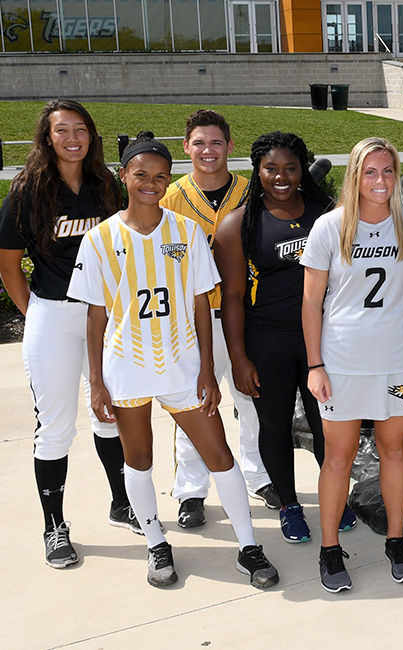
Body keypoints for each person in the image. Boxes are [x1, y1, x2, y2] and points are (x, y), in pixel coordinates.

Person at [68, 135, 279, 589]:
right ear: (123, 175)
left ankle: (248, 546)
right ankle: (155, 543)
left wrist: (206, 366)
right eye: (140, 174)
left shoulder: (184, 232)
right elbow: (96, 315)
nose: (150, 183)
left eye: (160, 176)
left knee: (219, 455)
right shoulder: (100, 238)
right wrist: (99, 383)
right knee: (138, 460)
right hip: (126, 366)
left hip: (182, 364)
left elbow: (203, 303)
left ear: (169, 180)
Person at [301, 137, 403, 592]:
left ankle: (396, 540)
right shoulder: (329, 228)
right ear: (355, 175)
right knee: (339, 456)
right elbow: (310, 302)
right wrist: (315, 365)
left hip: (397, 364)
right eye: (371, 172)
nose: (381, 181)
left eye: (389, 171)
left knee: (395, 450)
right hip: (343, 364)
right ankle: (330, 549)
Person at [0, 100, 138, 569]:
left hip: (106, 316)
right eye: (63, 130)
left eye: (81, 129)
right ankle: (54, 525)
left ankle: (122, 503)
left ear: (92, 135)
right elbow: (8, 263)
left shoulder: (106, 187)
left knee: (112, 413)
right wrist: (38, 312)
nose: (73, 138)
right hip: (54, 315)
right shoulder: (28, 189)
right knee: (56, 426)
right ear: (47, 137)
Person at [214, 132, 352, 545]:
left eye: (291, 168)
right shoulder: (239, 223)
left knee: (328, 423)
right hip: (268, 339)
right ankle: (290, 504)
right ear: (257, 170)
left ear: (302, 168)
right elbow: (233, 297)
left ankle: (335, 498)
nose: (281, 177)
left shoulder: (326, 214)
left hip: (324, 340)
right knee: (274, 425)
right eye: (271, 168)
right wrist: (238, 357)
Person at [160, 110, 276, 529]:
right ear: (186, 147)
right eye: (199, 143)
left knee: (251, 399)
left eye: (215, 143)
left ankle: (259, 475)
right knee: (195, 403)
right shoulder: (170, 196)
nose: (207, 151)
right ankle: (191, 489)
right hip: (192, 319)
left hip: (245, 312)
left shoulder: (253, 192)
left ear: (229, 147)